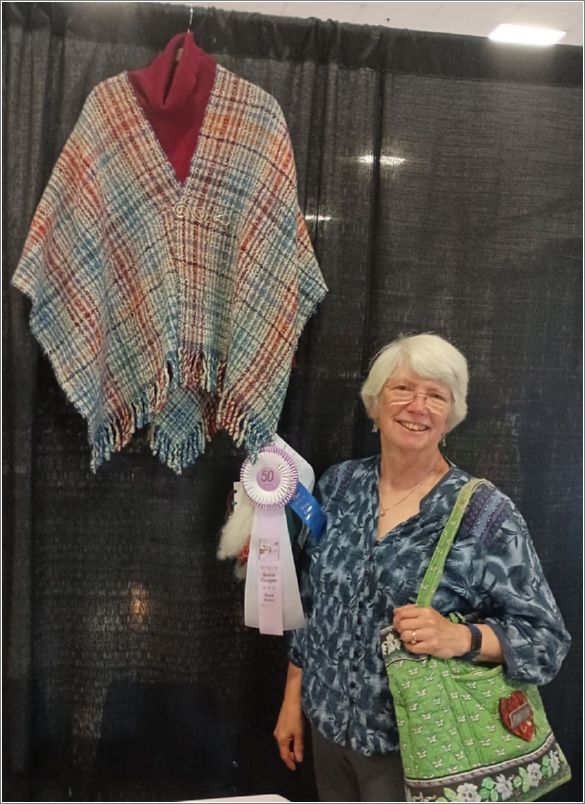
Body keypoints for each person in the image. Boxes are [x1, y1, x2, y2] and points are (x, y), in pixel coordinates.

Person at [273, 333, 571, 802]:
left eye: (436, 395)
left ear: (450, 416)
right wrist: (293, 700)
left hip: (421, 753)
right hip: (327, 732)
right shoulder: (340, 486)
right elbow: (313, 603)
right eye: (403, 390)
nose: (418, 406)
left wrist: (461, 638)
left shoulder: (484, 513)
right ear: (375, 404)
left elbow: (547, 640)